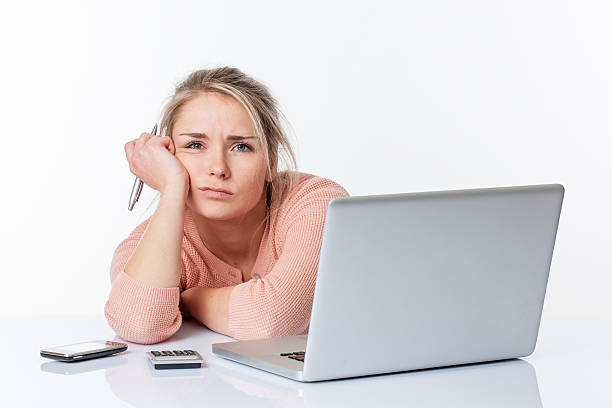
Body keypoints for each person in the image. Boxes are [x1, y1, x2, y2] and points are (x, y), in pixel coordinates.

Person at [105, 66, 349, 344]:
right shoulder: (153, 241)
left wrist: (191, 298)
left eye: (241, 147)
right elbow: (138, 324)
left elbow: (271, 321)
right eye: (195, 145)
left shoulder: (317, 203)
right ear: (168, 156)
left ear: (270, 162)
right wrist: (172, 187)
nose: (218, 168)